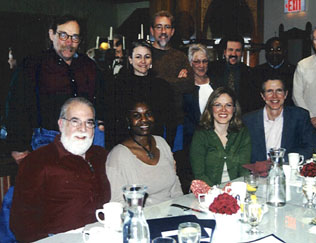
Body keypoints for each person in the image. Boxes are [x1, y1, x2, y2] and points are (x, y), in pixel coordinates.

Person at [5, 14, 105, 163]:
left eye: (75, 37)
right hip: (48, 139)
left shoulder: (89, 66)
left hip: (88, 138)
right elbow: (16, 106)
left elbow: (103, 99)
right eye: (63, 35)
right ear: (51, 34)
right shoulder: (33, 65)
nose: (69, 43)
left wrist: (101, 124)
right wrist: (18, 147)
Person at [10, 97, 110, 242]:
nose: (83, 129)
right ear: (61, 124)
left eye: (89, 123)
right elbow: (22, 224)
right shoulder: (38, 161)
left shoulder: (100, 156)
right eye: (75, 121)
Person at [106, 99, 183, 206]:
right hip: (142, 218)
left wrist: (182, 209)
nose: (144, 119)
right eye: (137, 116)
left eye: (148, 114)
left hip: (173, 212)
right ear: (128, 120)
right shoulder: (118, 155)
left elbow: (175, 186)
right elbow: (117, 201)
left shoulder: (161, 143)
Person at [105, 40, 175, 150]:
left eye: (147, 57)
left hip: (155, 144)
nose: (143, 61)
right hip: (125, 144)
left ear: (152, 60)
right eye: (138, 57)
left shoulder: (162, 87)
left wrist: (168, 148)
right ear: (130, 60)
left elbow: (171, 122)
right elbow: (111, 122)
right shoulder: (118, 85)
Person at [243, 78, 316, 163]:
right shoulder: (249, 120)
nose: (274, 96)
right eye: (269, 91)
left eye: (279, 91)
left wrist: (282, 160)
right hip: (257, 172)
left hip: (289, 169)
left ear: (285, 94)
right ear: (263, 96)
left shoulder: (299, 116)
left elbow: (311, 146)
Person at [150, 10, 195, 150]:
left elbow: (189, 84)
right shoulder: (145, 54)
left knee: (174, 162)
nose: (163, 31)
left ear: (173, 31)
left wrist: (159, 81)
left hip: (176, 120)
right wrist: (176, 80)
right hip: (151, 121)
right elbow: (149, 85)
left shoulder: (180, 56)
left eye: (167, 27)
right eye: (159, 27)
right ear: (152, 30)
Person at [190, 87, 251, 186]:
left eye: (228, 105)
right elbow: (199, 174)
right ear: (211, 108)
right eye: (218, 105)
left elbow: (244, 170)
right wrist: (218, 193)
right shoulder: (201, 135)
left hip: (236, 190)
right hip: (209, 192)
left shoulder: (242, 133)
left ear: (234, 109)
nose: (223, 110)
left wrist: (239, 189)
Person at [208, 35, 255, 114]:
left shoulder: (249, 72)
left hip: (241, 116)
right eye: (230, 50)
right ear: (224, 52)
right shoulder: (211, 69)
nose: (234, 53)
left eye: (238, 50)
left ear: (242, 53)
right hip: (217, 114)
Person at [183, 43, 218, 147]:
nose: (201, 66)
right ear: (190, 63)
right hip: (194, 140)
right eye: (197, 62)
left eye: (204, 61)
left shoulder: (217, 84)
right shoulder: (186, 87)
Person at [252, 37, 295, 109]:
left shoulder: (293, 71)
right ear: (266, 53)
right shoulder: (256, 71)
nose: (274, 53)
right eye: (271, 50)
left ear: (284, 52)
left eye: (278, 49)